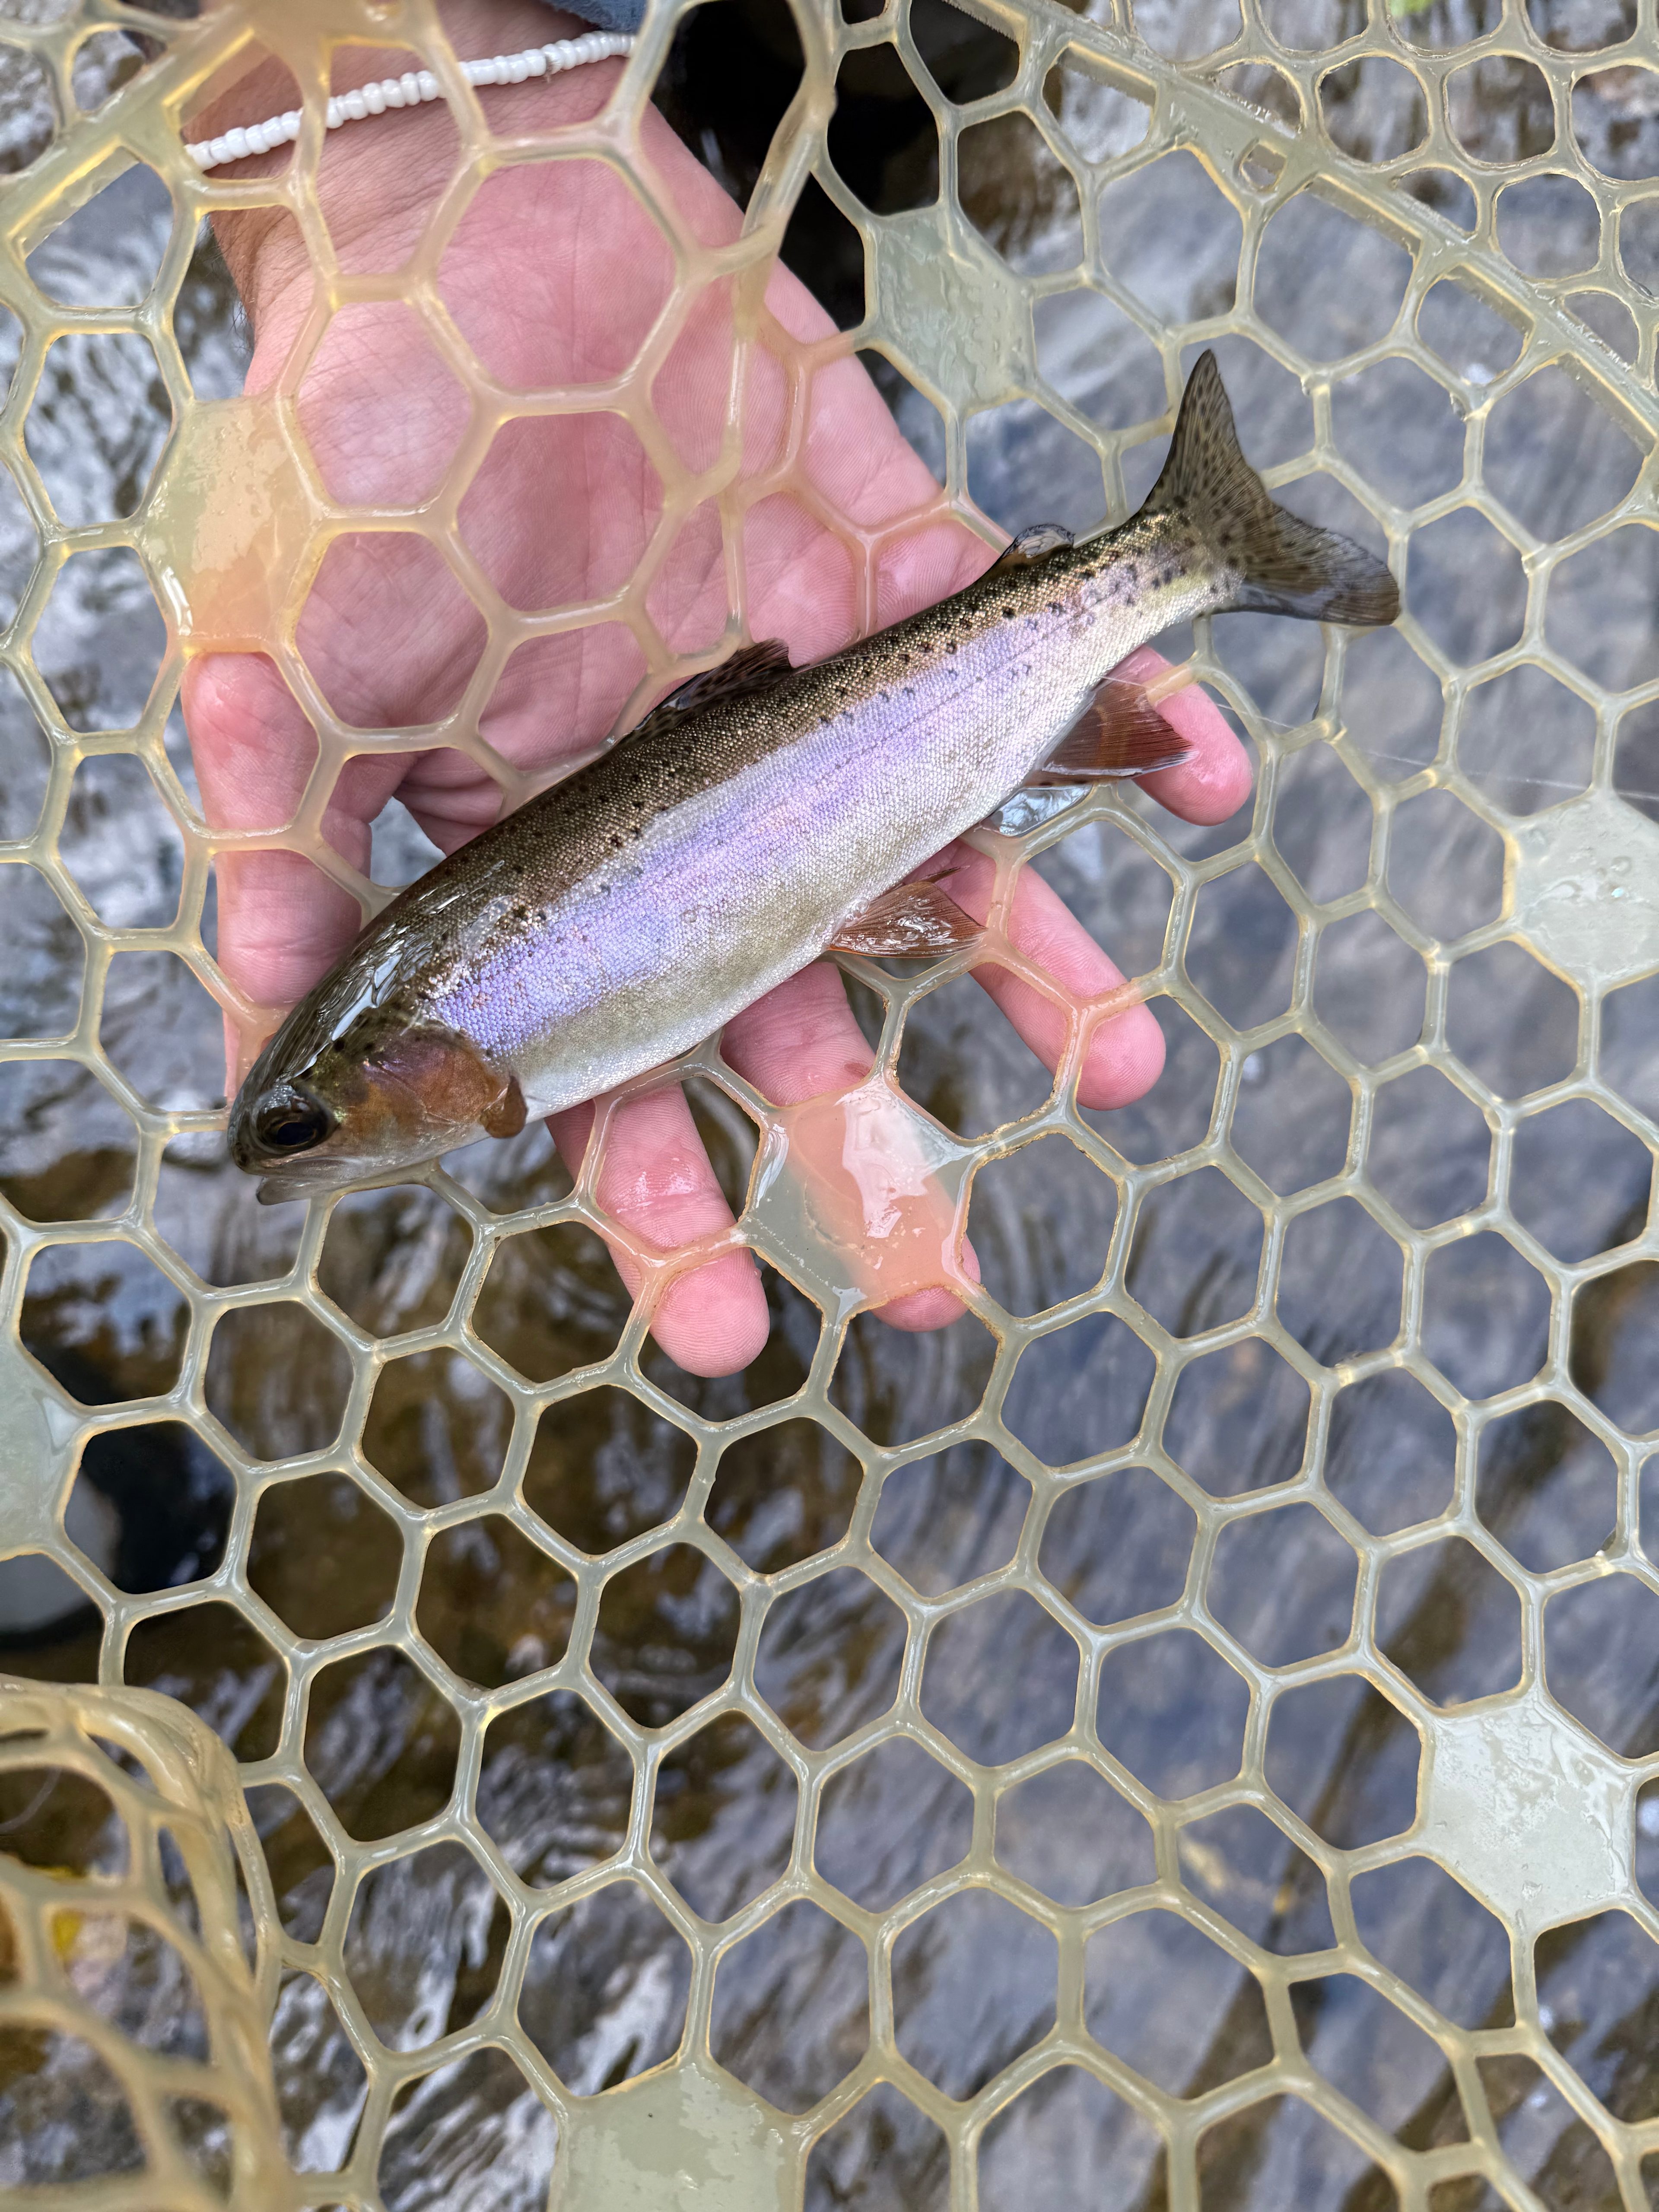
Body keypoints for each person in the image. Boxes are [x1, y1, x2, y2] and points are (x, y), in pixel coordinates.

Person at [184, 0, 1252, 1377]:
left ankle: (1156, 542)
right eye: (298, 1129)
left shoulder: (446, 1033)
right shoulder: (451, 1037)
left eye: (306, 1130)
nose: (298, 1156)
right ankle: (784, 161)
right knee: (826, 105)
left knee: (887, 85)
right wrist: (402, 152)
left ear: (405, 1065)